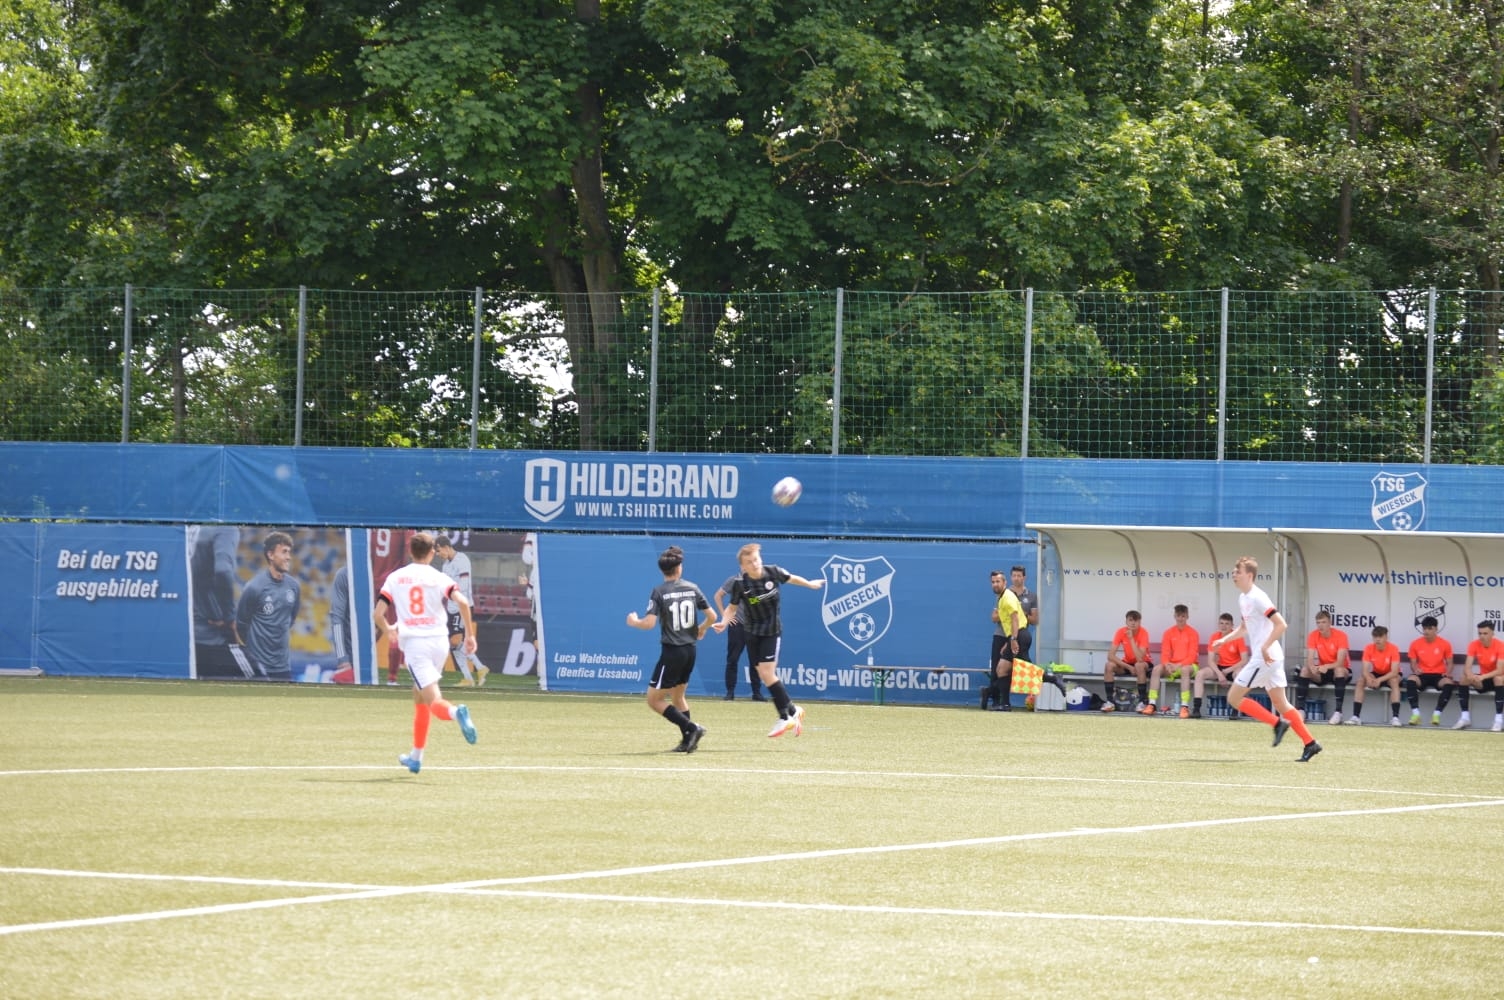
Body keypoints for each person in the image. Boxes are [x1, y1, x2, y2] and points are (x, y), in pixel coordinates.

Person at [374, 531, 477, 773]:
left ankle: (456, 712)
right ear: (432, 553)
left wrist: (388, 629)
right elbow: (463, 602)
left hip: (416, 646)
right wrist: (470, 635)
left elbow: (377, 614)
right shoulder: (439, 576)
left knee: (434, 702)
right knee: (419, 694)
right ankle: (416, 757)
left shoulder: (395, 577)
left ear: (410, 552)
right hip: (439, 643)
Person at [1209, 555, 1322, 762]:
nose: (1234, 574)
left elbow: (1281, 624)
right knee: (1281, 704)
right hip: (1271, 658)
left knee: (1233, 698)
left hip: (1265, 658)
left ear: (1249, 575)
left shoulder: (1258, 597)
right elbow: (1244, 628)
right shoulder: (1243, 598)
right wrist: (1224, 640)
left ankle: (1278, 724)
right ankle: (1310, 743)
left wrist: (1265, 646)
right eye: (1233, 571)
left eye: (1238, 571)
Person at [711, 542, 824, 737]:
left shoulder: (773, 572)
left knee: (767, 673)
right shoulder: (740, 584)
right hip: (751, 632)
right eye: (749, 562)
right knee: (763, 674)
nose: (754, 564)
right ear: (742, 566)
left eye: (756, 559)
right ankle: (793, 710)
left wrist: (809, 584)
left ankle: (784, 717)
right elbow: (732, 608)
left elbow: (792, 578)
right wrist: (724, 622)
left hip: (771, 632)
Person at [627, 545, 717, 752]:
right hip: (690, 651)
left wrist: (634, 621)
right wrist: (701, 629)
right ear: (679, 568)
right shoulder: (692, 588)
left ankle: (692, 728)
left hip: (672, 652)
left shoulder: (659, 591)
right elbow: (712, 616)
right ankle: (687, 742)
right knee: (678, 697)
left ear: (662, 570)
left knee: (653, 700)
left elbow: (649, 623)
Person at [233, 530, 302, 681]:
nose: (289, 557)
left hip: (283, 666)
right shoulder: (254, 587)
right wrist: (256, 647)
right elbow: (241, 624)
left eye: (289, 552)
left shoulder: (294, 586)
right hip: (258, 666)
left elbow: (291, 618)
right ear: (271, 555)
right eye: (284, 552)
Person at [189, 524, 245, 679]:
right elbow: (223, 571)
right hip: (212, 636)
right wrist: (229, 617)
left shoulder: (188, 528)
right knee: (260, 678)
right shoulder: (226, 528)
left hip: (183, 633)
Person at [435, 534, 489, 687]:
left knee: (455, 641)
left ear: (446, 547)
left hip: (462, 607)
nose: (438, 554)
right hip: (451, 609)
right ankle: (469, 678)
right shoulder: (445, 566)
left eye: (438, 551)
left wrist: (454, 598)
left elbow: (464, 587)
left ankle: (480, 667)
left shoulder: (462, 560)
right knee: (453, 644)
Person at [714, 572, 764, 701]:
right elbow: (718, 595)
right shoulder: (734, 580)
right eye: (746, 563)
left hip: (754, 626)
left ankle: (757, 693)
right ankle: (730, 692)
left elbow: (758, 600)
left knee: (755, 661)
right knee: (733, 659)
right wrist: (725, 616)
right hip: (737, 627)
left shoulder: (759, 581)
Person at [1296, 610, 1351, 725]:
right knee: (1305, 670)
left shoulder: (1341, 636)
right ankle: (1301, 710)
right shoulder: (1313, 635)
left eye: (1323, 622)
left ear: (1330, 623)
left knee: (1339, 670)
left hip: (1341, 671)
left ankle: (1338, 712)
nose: (1320, 625)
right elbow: (1310, 659)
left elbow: (1340, 662)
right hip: (1323, 670)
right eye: (1318, 622)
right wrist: (1312, 667)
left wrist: (1326, 666)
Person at [1144, 605, 1199, 717]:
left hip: (1189, 666)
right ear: (1174, 616)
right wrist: (1167, 665)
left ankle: (1184, 706)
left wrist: (1178, 665)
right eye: (1178, 616)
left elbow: (1192, 656)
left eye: (1183, 616)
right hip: (1172, 666)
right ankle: (1152, 704)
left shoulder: (1193, 633)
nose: (1180, 618)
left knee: (1184, 670)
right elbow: (1165, 653)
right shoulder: (1168, 632)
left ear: (1187, 616)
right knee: (1156, 669)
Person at [983, 570, 1026, 710]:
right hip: (1002, 636)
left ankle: (991, 693)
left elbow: (1023, 618)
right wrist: (1006, 614)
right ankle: (998, 701)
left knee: (1019, 668)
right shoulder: (1001, 596)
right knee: (998, 669)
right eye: (993, 582)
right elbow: (994, 617)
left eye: (998, 581)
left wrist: (1013, 637)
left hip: (1016, 636)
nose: (995, 584)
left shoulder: (1015, 596)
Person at [1191, 612, 1248, 718]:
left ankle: (1235, 709)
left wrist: (1227, 671)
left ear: (1232, 626)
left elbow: (1244, 660)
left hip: (1234, 668)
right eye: (1221, 623)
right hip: (1220, 668)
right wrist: (1220, 674)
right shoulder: (1214, 637)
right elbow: (1210, 660)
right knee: (1200, 674)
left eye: (1227, 624)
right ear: (1218, 624)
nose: (1224, 626)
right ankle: (1196, 709)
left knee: (1239, 674)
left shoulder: (1238, 637)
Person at [1404, 616, 1457, 726]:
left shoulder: (1445, 643)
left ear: (1436, 629)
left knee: (1449, 683)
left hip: (1439, 675)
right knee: (1410, 680)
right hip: (1422, 674)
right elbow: (1413, 663)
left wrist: (1448, 673)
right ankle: (1416, 714)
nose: (1426, 631)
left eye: (1429, 628)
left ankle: (1437, 714)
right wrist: (1415, 669)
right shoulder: (1415, 643)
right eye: (1424, 629)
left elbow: (1450, 663)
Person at [1350, 625, 1402, 726]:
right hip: (1377, 673)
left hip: (1391, 674)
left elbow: (1394, 672)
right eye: (1375, 636)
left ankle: (1395, 718)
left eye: (1380, 636)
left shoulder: (1393, 648)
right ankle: (1355, 717)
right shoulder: (1369, 648)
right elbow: (1364, 670)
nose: (1377, 639)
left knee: (1394, 681)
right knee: (1360, 681)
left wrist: (1379, 680)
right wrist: (1369, 678)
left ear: (1386, 637)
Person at [1100, 610, 1151, 713]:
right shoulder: (1121, 632)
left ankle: (1142, 702)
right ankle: (1110, 702)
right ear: (1126, 621)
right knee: (1109, 665)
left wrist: (1131, 638)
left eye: (1136, 621)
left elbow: (1140, 658)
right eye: (1130, 620)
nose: (1133, 623)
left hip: (1143, 663)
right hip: (1128, 664)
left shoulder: (1144, 633)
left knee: (1139, 665)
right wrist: (1128, 667)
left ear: (1140, 622)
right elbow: (1110, 655)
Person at [1461, 620, 1504, 732]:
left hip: (1499, 678)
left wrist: (1482, 677)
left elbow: (1500, 670)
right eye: (1480, 633)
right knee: (1464, 678)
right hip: (1485, 678)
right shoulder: (1474, 644)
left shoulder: (1500, 645)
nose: (1482, 636)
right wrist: (1471, 675)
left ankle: (1499, 720)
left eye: (1485, 633)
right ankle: (1465, 717)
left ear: (1492, 633)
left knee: (1498, 678)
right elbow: (1467, 667)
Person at [328, 564, 356, 684]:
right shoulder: (345, 575)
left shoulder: (388, 574)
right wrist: (342, 658)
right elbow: (336, 618)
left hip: (380, 657)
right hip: (352, 657)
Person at [1009, 564, 1039, 663]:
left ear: (1024, 578)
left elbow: (1034, 620)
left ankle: (1035, 671)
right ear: (1011, 577)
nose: (1016, 578)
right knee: (1004, 666)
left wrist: (1022, 614)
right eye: (1014, 576)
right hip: (1006, 634)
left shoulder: (1032, 596)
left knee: (1022, 664)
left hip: (1022, 635)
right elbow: (994, 617)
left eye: (1019, 576)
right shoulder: (1005, 595)